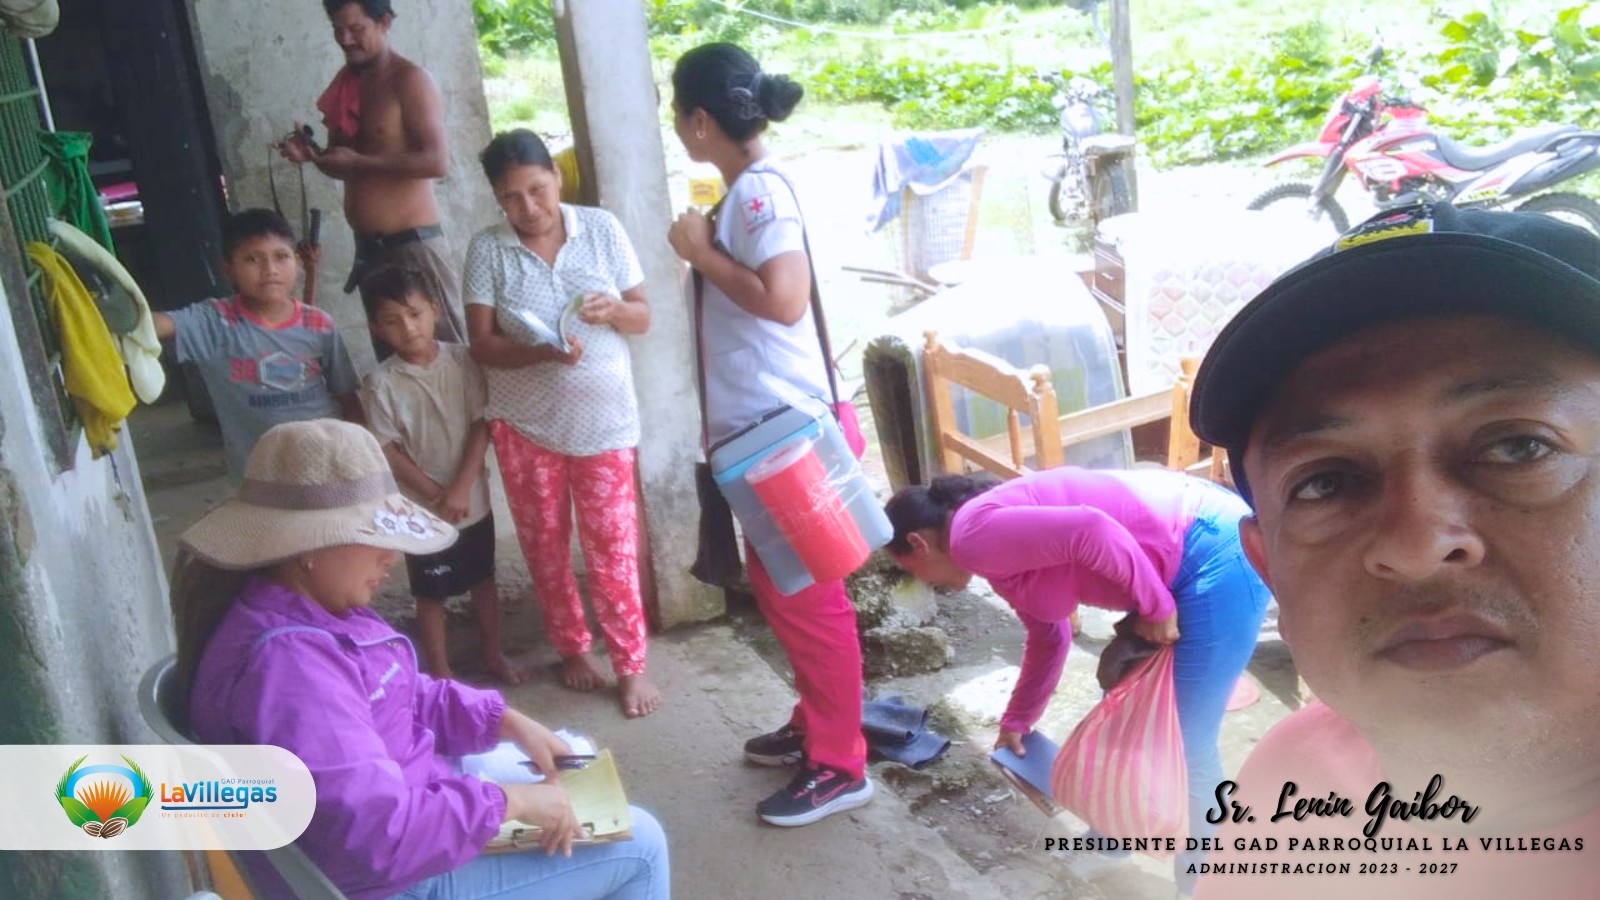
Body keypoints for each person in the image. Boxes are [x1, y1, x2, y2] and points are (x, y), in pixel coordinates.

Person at [1185, 202, 1600, 899]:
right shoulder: (1290, 786)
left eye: (1518, 446)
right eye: (1324, 483)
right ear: (1270, 573)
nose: (1414, 546)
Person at [173, 419, 670, 900]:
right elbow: (375, 835)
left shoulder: (306, 606)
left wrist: (504, 720)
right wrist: (511, 802)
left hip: (406, 806)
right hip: (391, 880)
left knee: (572, 756)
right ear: (310, 545)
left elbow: (395, 691)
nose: (390, 556)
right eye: (373, 534)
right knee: (642, 845)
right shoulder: (292, 670)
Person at [884, 468, 1271, 894]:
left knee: (1184, 744)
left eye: (908, 569)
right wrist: (1017, 719)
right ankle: (1110, 844)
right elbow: (1050, 634)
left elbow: (1091, 529)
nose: (924, 582)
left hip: (1215, 553)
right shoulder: (987, 547)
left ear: (917, 543)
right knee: (1124, 714)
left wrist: (1156, 606)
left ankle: (1206, 886)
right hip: (1186, 544)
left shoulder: (971, 537)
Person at [666, 42, 874, 828]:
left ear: (700, 120)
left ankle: (840, 763)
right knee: (789, 596)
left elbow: (784, 300)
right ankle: (817, 723)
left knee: (811, 605)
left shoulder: (757, 195)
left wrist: (701, 254)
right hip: (768, 436)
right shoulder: (749, 190)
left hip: (783, 435)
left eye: (675, 111)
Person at [462, 129, 661, 719]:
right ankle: (573, 648)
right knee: (544, 546)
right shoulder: (488, 249)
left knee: (613, 547)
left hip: (605, 422)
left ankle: (630, 665)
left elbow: (643, 316)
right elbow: (481, 344)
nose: (527, 207)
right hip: (526, 426)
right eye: (511, 197)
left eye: (537, 189)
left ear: (557, 177)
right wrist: (540, 352)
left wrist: (615, 310)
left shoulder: (600, 228)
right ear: (497, 199)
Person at [357, 265, 524, 685]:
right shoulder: (380, 383)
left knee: (483, 580)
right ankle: (441, 672)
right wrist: (436, 493)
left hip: (472, 501)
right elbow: (386, 448)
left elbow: (482, 423)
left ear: (434, 309)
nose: (408, 328)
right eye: (392, 321)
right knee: (430, 593)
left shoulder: (464, 361)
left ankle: (493, 655)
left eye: (415, 314)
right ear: (376, 328)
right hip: (420, 511)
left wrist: (461, 488)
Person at [280, 0, 466, 352]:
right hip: (370, 252)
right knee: (395, 364)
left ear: (384, 22)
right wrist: (312, 156)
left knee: (445, 360)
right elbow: (342, 162)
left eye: (356, 29)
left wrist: (361, 162)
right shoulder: (347, 84)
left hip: (414, 249)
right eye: (337, 30)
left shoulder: (410, 80)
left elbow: (436, 162)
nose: (345, 39)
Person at [154, 208, 360, 481]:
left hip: (327, 462)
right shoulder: (214, 322)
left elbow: (348, 398)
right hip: (261, 476)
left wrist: (359, 457)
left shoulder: (319, 324)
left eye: (281, 256)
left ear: (298, 262)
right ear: (228, 270)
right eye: (252, 259)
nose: (270, 270)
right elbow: (155, 325)